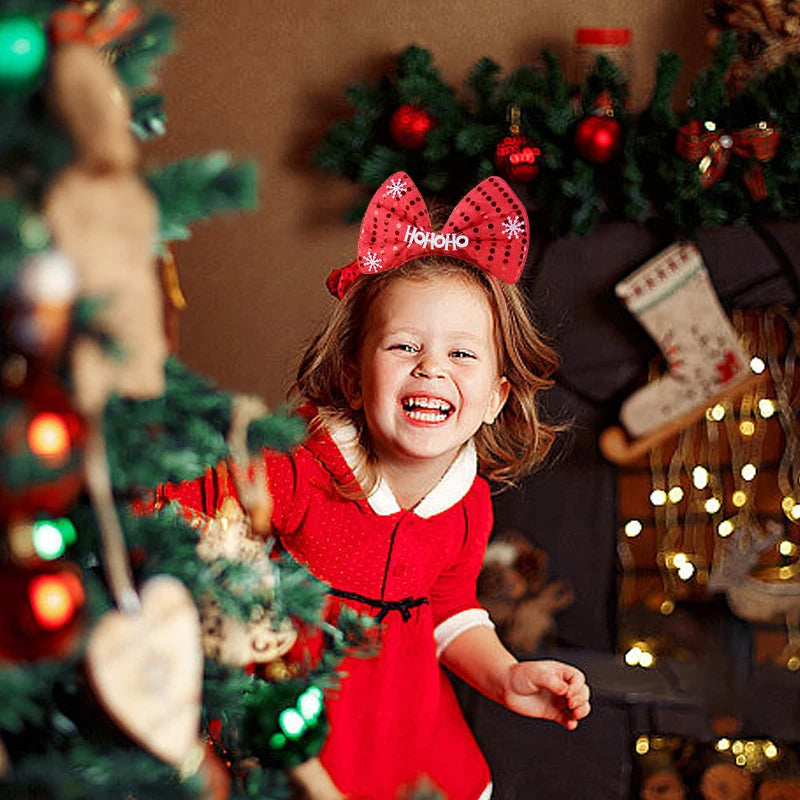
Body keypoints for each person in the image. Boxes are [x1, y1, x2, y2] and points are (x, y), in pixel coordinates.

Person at [155, 172, 591, 799]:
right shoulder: (299, 469)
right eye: (404, 346)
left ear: (497, 398)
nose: (432, 367)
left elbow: (449, 608)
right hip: (301, 716)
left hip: (404, 726)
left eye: (463, 354)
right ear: (355, 381)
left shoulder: (467, 505)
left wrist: (505, 676)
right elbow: (184, 501)